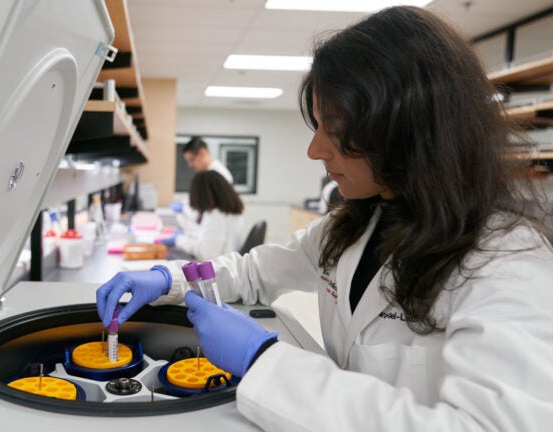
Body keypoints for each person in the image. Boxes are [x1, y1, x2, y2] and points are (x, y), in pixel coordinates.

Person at [96, 6, 553, 431]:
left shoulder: (506, 263)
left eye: (334, 129)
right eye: (317, 125)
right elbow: (252, 272)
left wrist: (263, 360)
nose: (315, 149)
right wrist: (167, 279)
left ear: (409, 129)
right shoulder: (357, 223)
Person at [160, 170, 245, 260]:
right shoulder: (231, 212)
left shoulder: (216, 215)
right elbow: (209, 240)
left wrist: (178, 240)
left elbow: (205, 254)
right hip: (227, 263)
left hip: (216, 269)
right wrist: (184, 237)